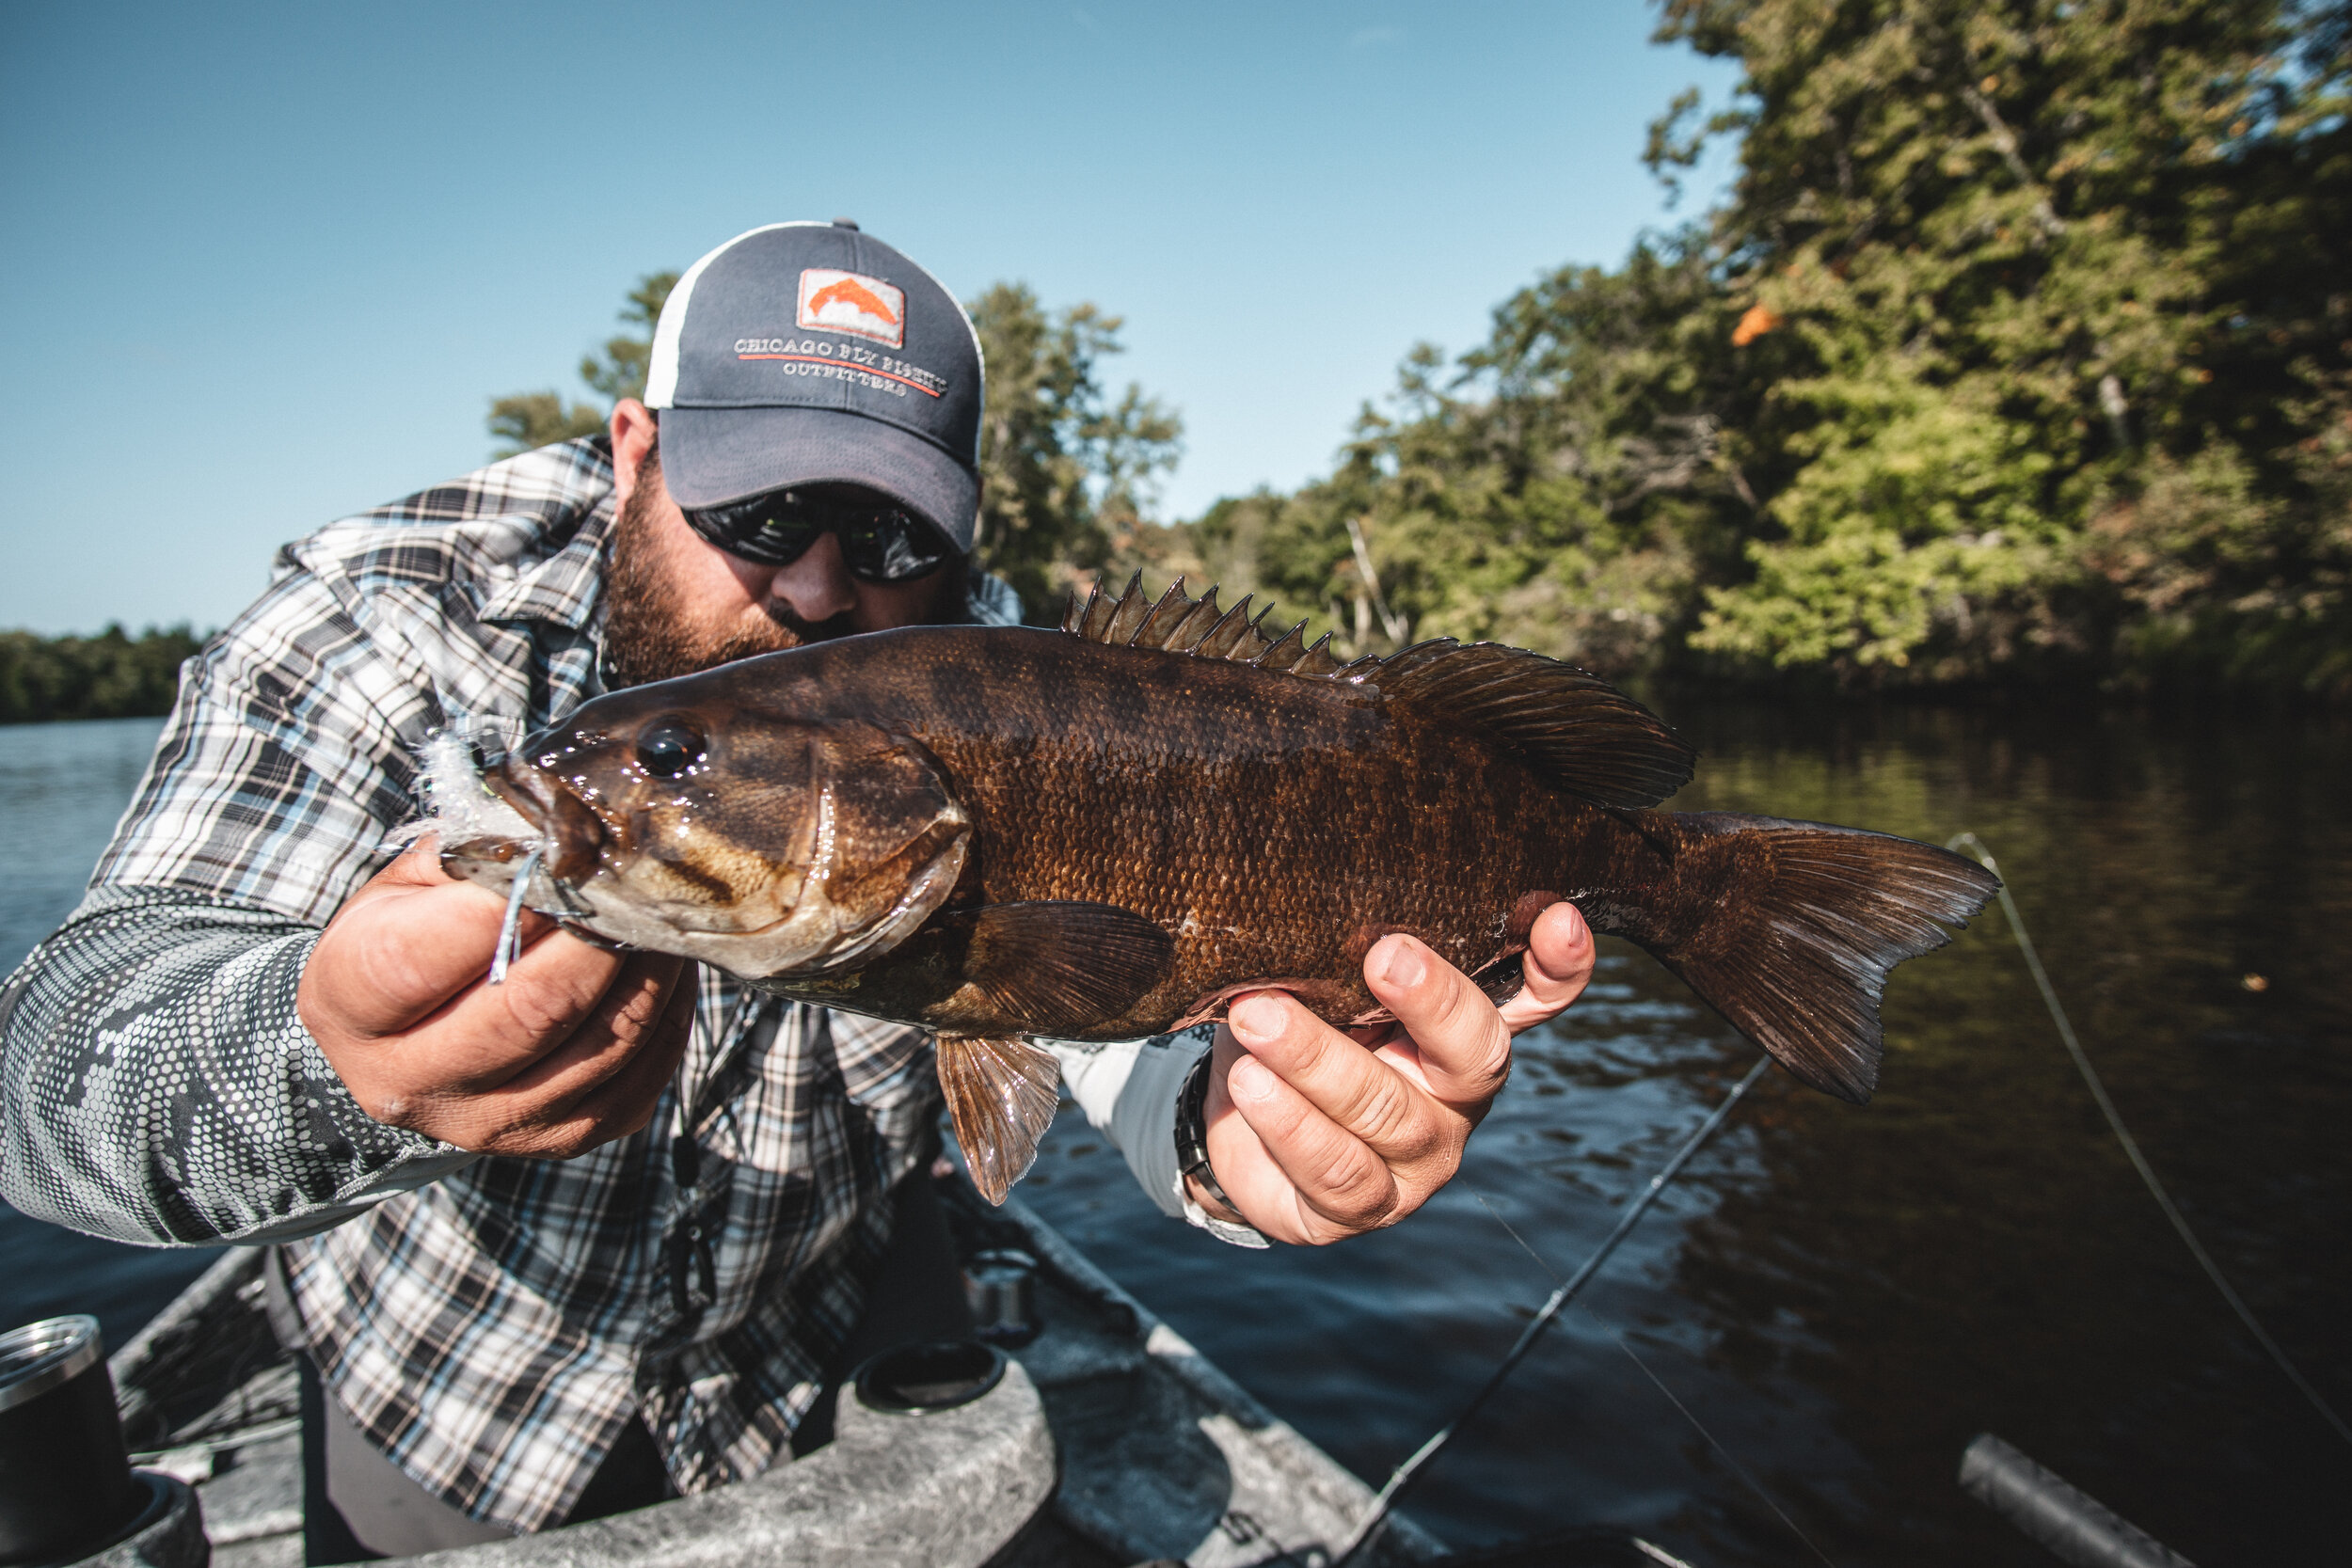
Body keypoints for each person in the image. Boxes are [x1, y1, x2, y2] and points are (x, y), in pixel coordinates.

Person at [0, 222, 1596, 1557]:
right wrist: (322, 1054)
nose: (824, 587)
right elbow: (50, 1077)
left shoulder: (1010, 672)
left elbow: (1119, 1034)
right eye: (759, 510)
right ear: (639, 448)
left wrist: (1241, 1143)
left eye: (895, 533)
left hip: (838, 1363)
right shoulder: (384, 622)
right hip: (450, 1410)